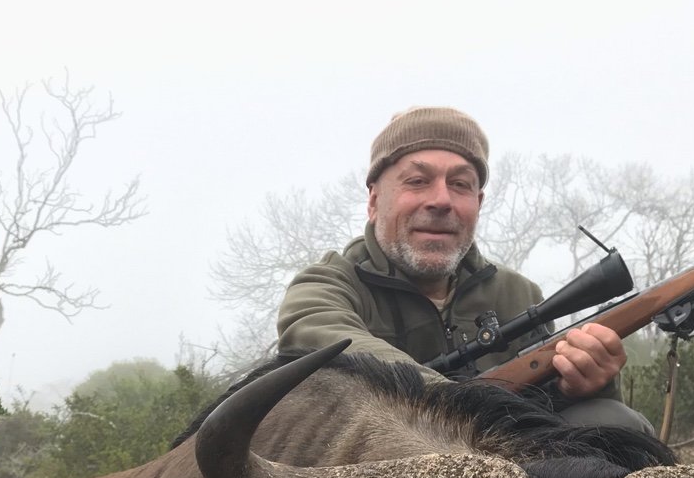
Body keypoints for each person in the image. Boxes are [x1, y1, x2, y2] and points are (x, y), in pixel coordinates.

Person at [277, 106, 653, 433]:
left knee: (615, 420)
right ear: (374, 201)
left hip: (513, 476)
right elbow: (328, 346)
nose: (441, 200)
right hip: (377, 477)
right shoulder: (326, 286)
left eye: (459, 184)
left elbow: (554, 414)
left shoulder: (519, 295)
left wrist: (587, 382)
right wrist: (458, 403)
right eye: (417, 181)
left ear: (478, 202)